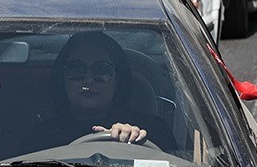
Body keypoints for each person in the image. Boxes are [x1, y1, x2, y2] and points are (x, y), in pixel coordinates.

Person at [19, 31, 176, 153]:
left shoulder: (151, 130)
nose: (88, 80)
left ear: (118, 80)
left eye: (101, 71)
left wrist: (134, 142)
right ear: (62, 79)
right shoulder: (42, 138)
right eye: (77, 70)